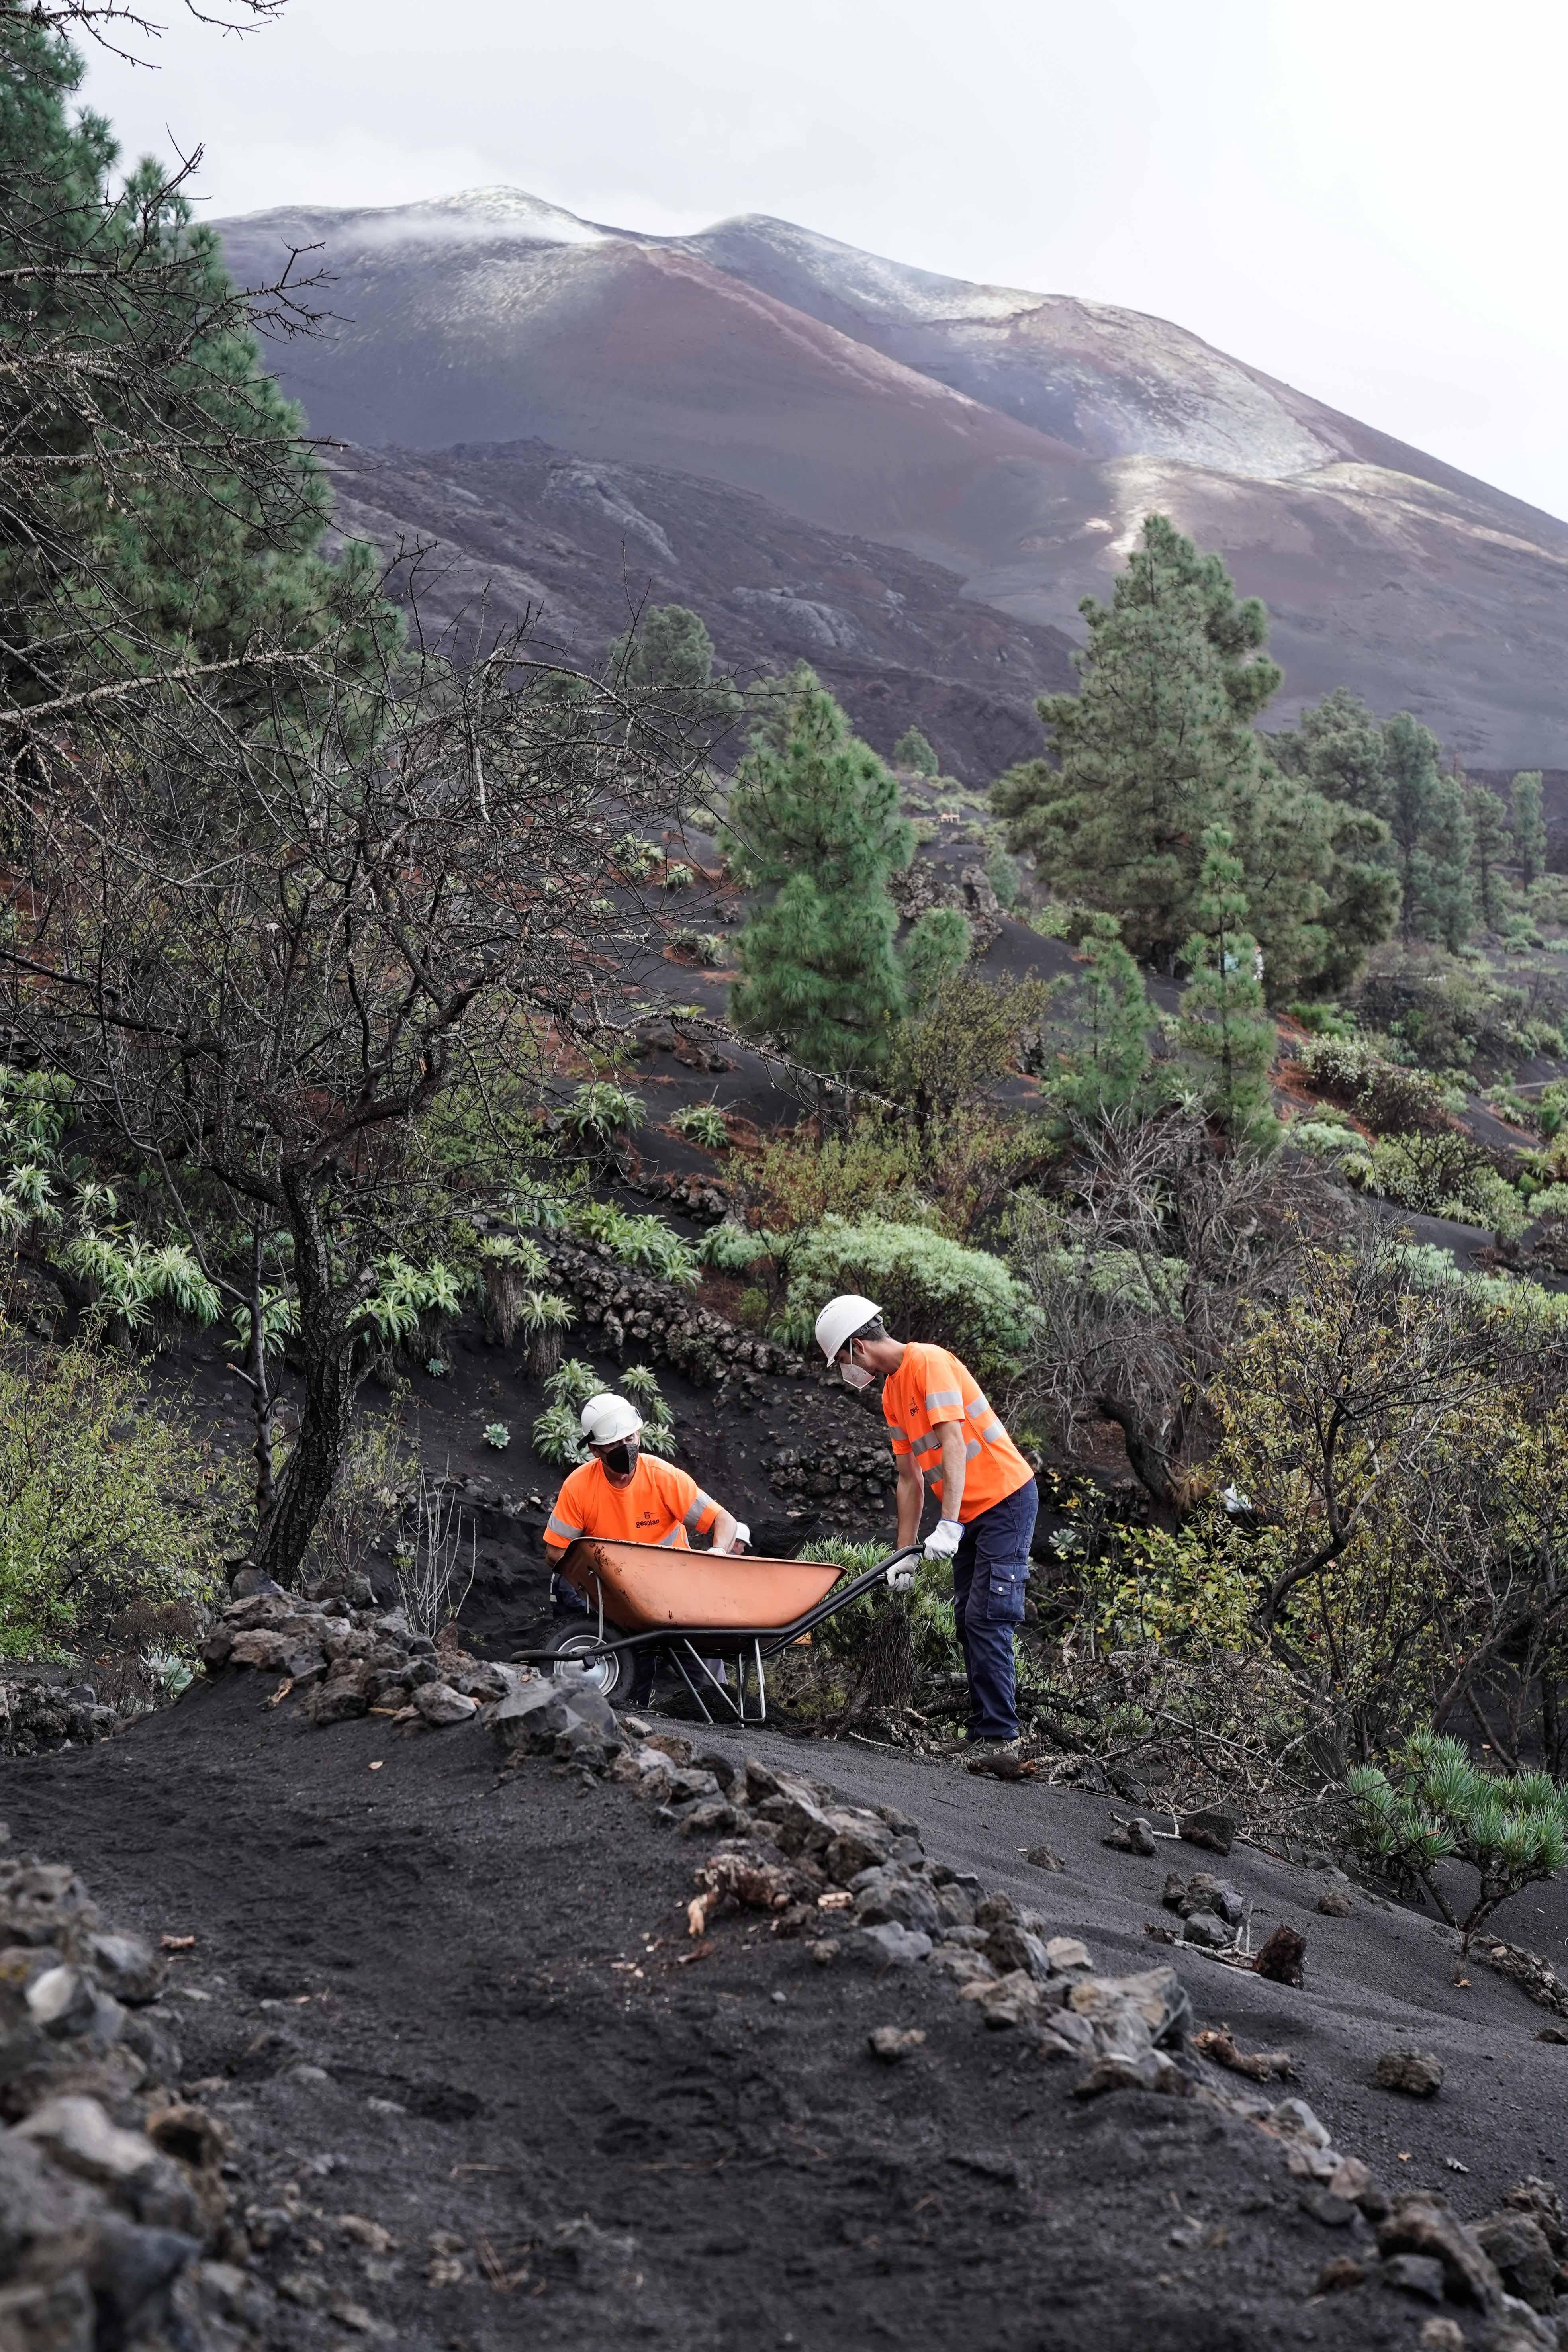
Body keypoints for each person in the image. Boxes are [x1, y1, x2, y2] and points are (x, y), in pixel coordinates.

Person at [814, 1294, 1038, 1747]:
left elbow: (953, 1444)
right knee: (966, 1618)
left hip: (1005, 1499)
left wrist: (950, 1523)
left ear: (858, 1345)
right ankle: (982, 1732)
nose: (844, 1369)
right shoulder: (892, 1392)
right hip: (970, 1511)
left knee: (988, 1616)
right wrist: (905, 1554)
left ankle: (1001, 1738)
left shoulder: (929, 1361)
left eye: (841, 1359)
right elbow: (908, 1478)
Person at [543, 1391, 748, 1703]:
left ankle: (723, 1714)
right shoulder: (580, 1487)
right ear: (595, 1449)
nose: (626, 1448)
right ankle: (623, 1709)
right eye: (614, 1444)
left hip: (675, 1595)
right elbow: (555, 1553)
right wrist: (594, 1577)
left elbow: (724, 1521)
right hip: (617, 1599)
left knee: (710, 1687)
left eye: (631, 1437)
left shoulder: (663, 1478)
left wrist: (718, 1552)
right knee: (627, 1691)